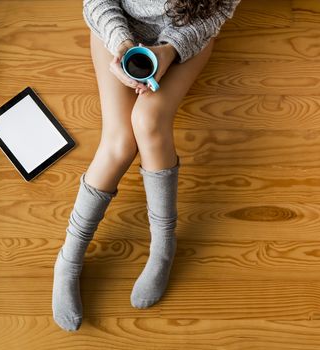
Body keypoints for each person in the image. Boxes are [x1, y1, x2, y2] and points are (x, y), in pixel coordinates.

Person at [52, 0, 241, 332]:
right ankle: (68, 259)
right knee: (119, 143)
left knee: (148, 120)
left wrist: (169, 51)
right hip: (118, 29)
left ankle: (163, 245)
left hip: (185, 38)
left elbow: (217, 13)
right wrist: (122, 43)